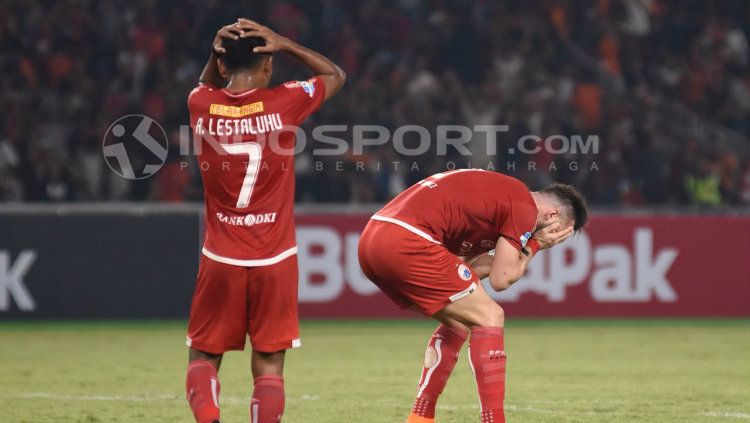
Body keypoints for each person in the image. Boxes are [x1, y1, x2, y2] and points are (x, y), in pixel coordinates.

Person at [185, 19, 345, 423]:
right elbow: (334, 74)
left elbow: (207, 84)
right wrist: (285, 41)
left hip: (220, 256)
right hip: (275, 258)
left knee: (204, 356)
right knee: (269, 367)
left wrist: (215, 51)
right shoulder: (284, 102)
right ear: (268, 67)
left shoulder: (199, 104)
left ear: (221, 66)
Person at [358, 169, 587, 423]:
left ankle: (420, 418)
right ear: (553, 215)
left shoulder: (500, 198)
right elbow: (502, 279)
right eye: (560, 233)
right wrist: (535, 245)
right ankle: (493, 420)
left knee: (458, 322)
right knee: (491, 316)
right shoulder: (525, 206)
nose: (555, 240)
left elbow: (466, 270)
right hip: (408, 240)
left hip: (373, 238)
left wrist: (524, 248)